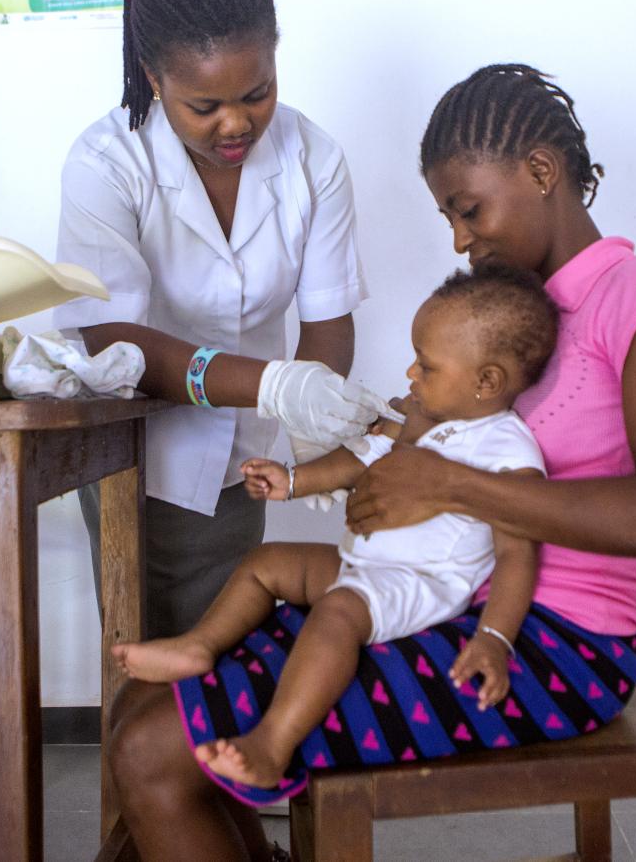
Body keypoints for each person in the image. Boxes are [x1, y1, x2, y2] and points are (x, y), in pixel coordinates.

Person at [104, 63, 636, 862]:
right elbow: (439, 454)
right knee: (144, 706)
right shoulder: (507, 323)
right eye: (450, 219)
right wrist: (389, 457)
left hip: (548, 646)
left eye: (468, 210)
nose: (461, 240)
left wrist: (448, 483)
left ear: (541, 171)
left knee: (153, 751)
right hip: (447, 599)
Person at [52, 0, 391, 640]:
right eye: (203, 108)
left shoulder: (313, 159)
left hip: (247, 458)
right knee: (142, 660)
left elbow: (327, 318)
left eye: (257, 93)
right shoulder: (106, 162)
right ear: (154, 77)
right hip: (131, 454)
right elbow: (112, 336)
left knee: (228, 662)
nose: (236, 122)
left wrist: (316, 411)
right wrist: (274, 383)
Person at [111, 264, 557, 802]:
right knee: (269, 562)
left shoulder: (507, 451)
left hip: (418, 585)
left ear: (487, 382)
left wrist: (493, 638)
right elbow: (359, 457)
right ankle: (199, 647)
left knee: (338, 613)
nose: (412, 372)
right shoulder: (422, 416)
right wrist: (292, 481)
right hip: (366, 567)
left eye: (428, 365)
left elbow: (517, 556)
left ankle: (272, 747)